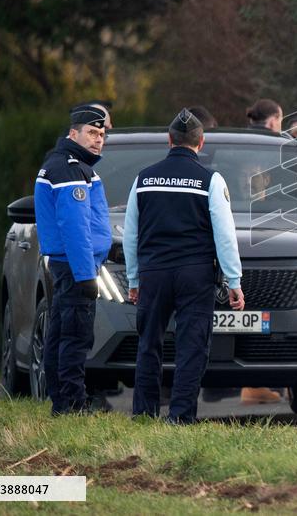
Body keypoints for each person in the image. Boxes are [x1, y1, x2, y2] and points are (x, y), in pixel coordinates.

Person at [122, 109, 245, 424]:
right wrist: (234, 281)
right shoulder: (211, 180)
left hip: (154, 273)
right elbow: (225, 236)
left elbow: (130, 235)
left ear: (169, 140)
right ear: (201, 143)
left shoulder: (144, 179)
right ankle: (180, 416)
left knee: (149, 343)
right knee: (192, 346)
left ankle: (144, 412)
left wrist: (133, 280)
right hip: (195, 274)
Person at [34, 104, 111, 415]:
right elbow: (75, 228)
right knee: (76, 337)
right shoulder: (69, 168)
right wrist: (85, 275)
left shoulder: (66, 164)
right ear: (73, 133)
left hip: (68, 266)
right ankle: (73, 404)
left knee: (61, 334)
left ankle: (61, 401)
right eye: (92, 133)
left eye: (102, 135)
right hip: (75, 266)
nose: (98, 140)